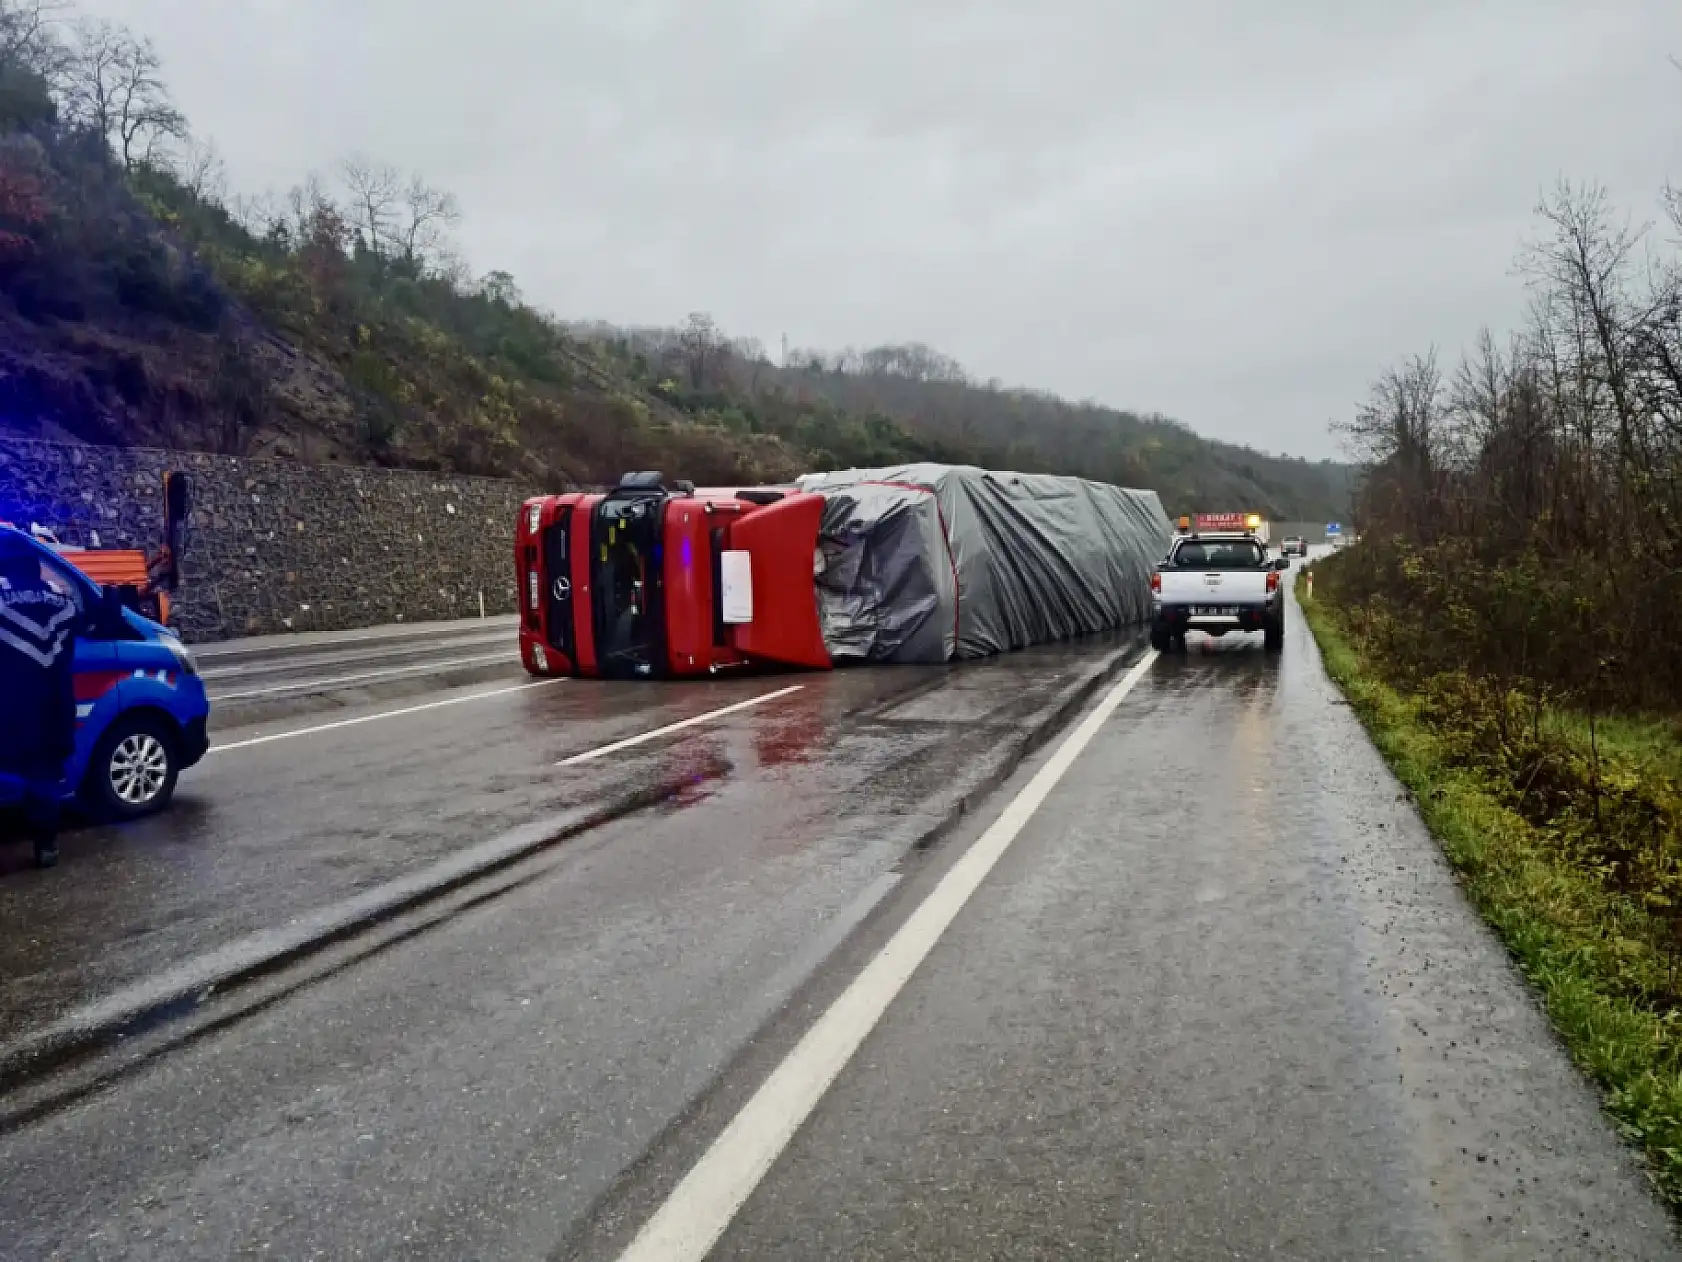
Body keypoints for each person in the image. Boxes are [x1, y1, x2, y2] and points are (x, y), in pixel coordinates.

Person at [0, 530, 82, 869]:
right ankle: (46, 846)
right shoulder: (62, 603)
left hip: (12, 709)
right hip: (53, 707)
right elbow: (84, 623)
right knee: (45, 777)